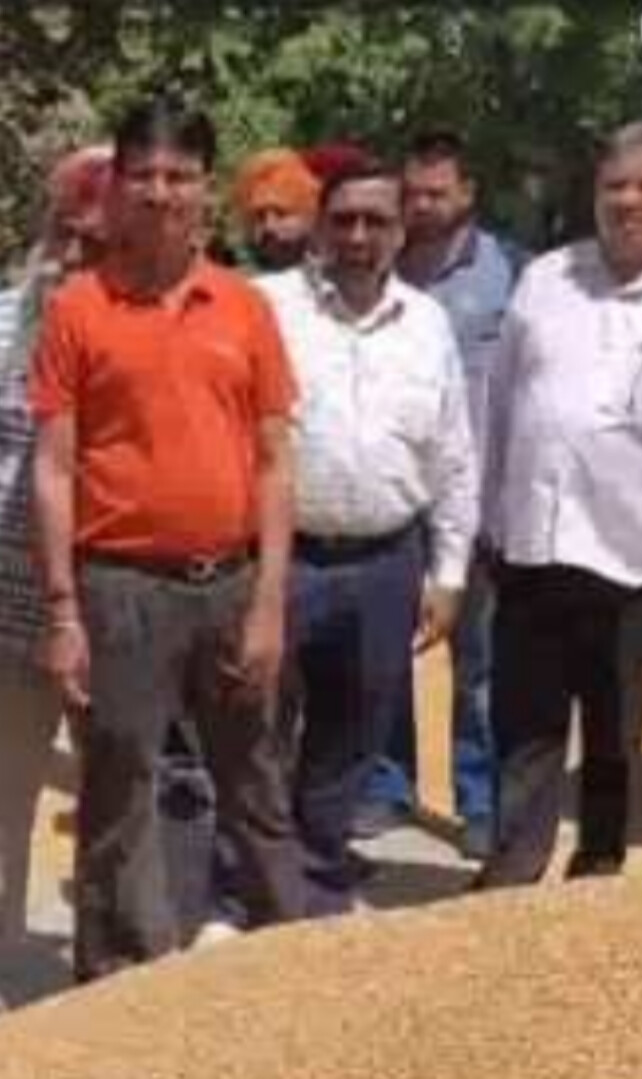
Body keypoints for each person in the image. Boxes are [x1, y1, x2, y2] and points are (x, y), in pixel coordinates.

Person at [31, 97, 306, 982]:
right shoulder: (77, 309)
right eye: (142, 175)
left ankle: (287, 955)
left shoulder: (244, 307)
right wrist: (63, 611)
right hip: (121, 587)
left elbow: (275, 461)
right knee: (120, 786)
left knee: (256, 779)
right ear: (116, 186)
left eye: (179, 176)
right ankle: (122, 979)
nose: (160, 193)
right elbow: (54, 468)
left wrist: (269, 601)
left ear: (206, 190)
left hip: (231, 582)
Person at [257, 162, 478, 916]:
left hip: (388, 561)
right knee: (257, 725)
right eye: (343, 220)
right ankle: (246, 882)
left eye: (375, 222)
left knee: (353, 729)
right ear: (320, 225)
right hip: (283, 559)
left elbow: (452, 453)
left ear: (400, 230)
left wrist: (449, 572)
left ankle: (317, 874)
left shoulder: (427, 323)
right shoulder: (269, 307)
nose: (358, 236)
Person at [0, 144, 111, 1018]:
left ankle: (112, 984)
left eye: (96, 242)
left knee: (121, 810)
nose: (72, 257)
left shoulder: (154, 334)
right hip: (2, 619)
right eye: (62, 235)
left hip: (122, 618)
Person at [475, 122, 642, 889]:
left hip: (634, 562)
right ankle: (515, 867)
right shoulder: (546, 277)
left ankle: (599, 865)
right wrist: (489, 521)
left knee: (620, 729)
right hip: (533, 548)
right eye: (615, 186)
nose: (628, 201)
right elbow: (500, 402)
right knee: (525, 723)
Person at [363, 130, 525, 858]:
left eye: (437, 192)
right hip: (395, 497)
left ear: (468, 194)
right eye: (414, 193)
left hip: (478, 497)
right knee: (385, 650)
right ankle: (386, 784)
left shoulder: (511, 271)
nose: (423, 205)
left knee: (479, 661)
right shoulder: (376, 265)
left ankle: (480, 799)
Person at [230, 148, 320, 273]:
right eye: (260, 216)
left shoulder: (330, 279)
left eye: (281, 214)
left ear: (310, 218)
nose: (269, 227)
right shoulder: (242, 281)